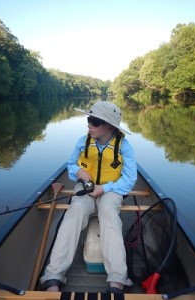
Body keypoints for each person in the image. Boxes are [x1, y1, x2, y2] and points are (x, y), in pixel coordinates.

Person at [40, 101, 137, 293]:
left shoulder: (124, 146)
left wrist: (105, 188)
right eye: (88, 119)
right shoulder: (82, 141)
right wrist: (79, 172)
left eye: (94, 121)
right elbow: (70, 164)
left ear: (109, 126)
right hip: (84, 189)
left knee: (108, 213)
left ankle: (118, 279)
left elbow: (130, 178)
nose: (89, 125)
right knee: (74, 211)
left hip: (111, 191)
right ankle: (53, 275)